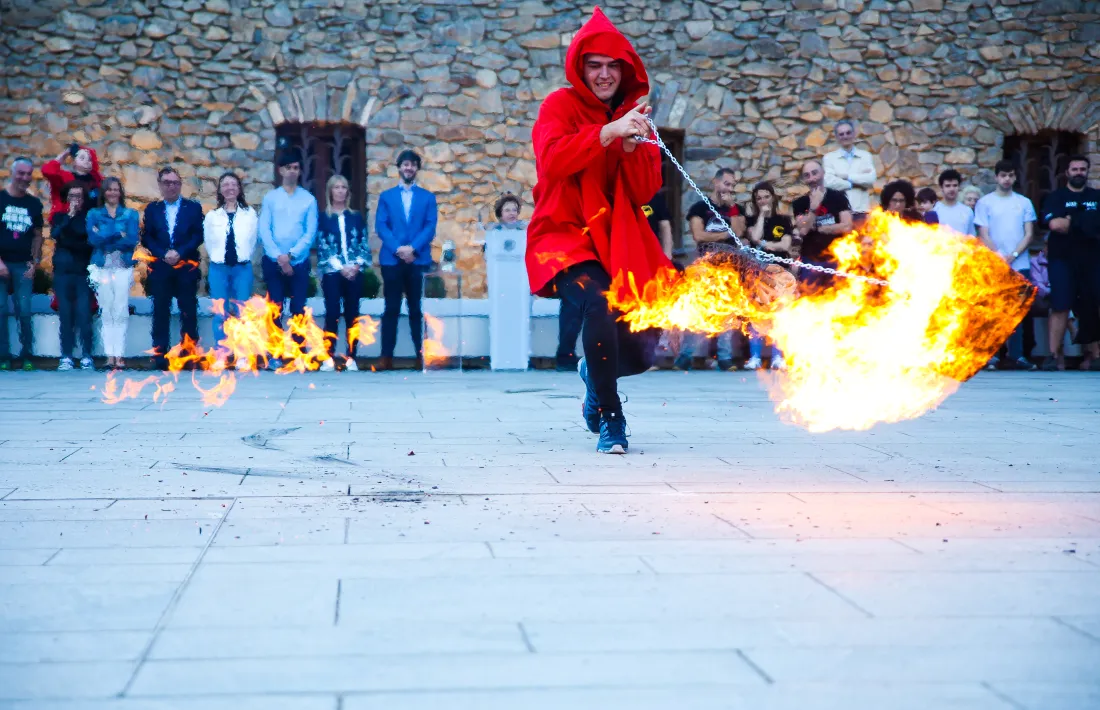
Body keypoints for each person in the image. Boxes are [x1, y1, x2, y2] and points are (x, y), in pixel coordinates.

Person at [526, 7, 669, 453]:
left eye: (612, 66)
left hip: (618, 241)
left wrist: (631, 147)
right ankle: (611, 416)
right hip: (564, 235)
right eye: (595, 65)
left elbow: (646, 189)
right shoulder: (559, 105)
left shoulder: (635, 114)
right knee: (599, 300)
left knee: (647, 341)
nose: (604, 74)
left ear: (624, 70)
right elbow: (551, 161)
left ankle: (594, 375)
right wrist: (607, 133)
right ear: (580, 67)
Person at [674, 167, 744, 372]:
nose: (728, 188)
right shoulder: (699, 208)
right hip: (705, 267)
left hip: (729, 267)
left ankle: (725, 358)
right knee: (696, 310)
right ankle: (684, 357)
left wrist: (732, 208)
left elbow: (738, 233)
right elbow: (699, 235)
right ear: (716, 182)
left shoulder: (735, 210)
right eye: (726, 183)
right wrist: (725, 235)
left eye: (732, 185)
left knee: (727, 314)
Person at [375, 149, 437, 370]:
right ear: (399, 168)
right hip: (392, 260)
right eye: (405, 164)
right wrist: (399, 249)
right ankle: (386, 357)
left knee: (416, 309)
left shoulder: (428, 198)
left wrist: (413, 249)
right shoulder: (386, 197)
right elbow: (381, 226)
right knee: (390, 308)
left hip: (418, 260)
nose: (408, 168)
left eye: (412, 164)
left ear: (417, 169)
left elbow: (430, 227)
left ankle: (421, 356)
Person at [974, 159, 1038, 371]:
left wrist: (1014, 254)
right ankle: (991, 356)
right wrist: (1000, 255)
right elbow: (983, 233)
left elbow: (1029, 233)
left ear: (1015, 177)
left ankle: (1017, 356)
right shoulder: (985, 203)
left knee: (1018, 312)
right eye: (1003, 175)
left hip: (1020, 264)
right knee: (993, 311)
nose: (1007, 179)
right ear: (996, 177)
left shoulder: (1024, 202)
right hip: (994, 264)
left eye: (1010, 175)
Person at [259, 150, 318, 370]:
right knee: (274, 307)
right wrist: (279, 257)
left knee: (298, 308)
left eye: (296, 167)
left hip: (299, 263)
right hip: (273, 261)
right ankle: (274, 354)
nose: (292, 171)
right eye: (289, 167)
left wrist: (291, 256)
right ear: (281, 170)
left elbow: (309, 233)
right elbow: (264, 229)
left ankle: (298, 354)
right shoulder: (270, 198)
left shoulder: (309, 200)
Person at [1040, 155, 1100, 371]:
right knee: (1060, 305)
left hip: (1093, 261)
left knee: (1093, 306)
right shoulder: (1056, 197)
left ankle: (1095, 356)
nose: (1078, 173)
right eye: (1074, 169)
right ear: (1067, 172)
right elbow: (1055, 225)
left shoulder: (1096, 196)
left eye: (1082, 169)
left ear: (1087, 171)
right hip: (1062, 260)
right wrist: (1085, 222)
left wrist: (1071, 220)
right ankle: (1053, 355)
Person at [141, 167, 204, 370]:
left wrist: (180, 252)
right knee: (160, 311)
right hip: (160, 268)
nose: (172, 186)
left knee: (188, 311)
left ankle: (189, 355)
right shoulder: (152, 209)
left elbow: (197, 235)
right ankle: (160, 356)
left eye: (175, 182)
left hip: (186, 267)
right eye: (167, 182)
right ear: (160, 185)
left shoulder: (193, 208)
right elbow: (147, 237)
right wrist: (162, 253)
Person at [203, 172, 258, 369]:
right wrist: (219, 259)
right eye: (225, 185)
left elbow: (252, 240)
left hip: (242, 268)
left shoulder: (249, 214)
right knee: (220, 312)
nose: (229, 188)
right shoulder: (212, 216)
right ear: (220, 190)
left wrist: (242, 257)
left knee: (242, 311)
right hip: (219, 268)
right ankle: (221, 354)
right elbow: (209, 242)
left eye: (233, 184)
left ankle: (242, 355)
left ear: (239, 189)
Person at [317, 175, 371, 372]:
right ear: (330, 191)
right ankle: (328, 357)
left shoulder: (355, 216)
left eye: (343, 187)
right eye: (336, 187)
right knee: (332, 313)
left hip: (354, 273)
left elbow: (363, 244)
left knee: (352, 314)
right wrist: (341, 267)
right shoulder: (324, 217)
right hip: (333, 272)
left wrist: (355, 266)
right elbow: (323, 245)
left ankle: (351, 357)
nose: (340, 191)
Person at [87, 176, 139, 370]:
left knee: (121, 310)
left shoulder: (130, 214)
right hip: (102, 266)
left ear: (121, 192)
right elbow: (93, 240)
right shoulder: (94, 213)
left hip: (123, 266)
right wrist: (118, 234)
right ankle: (110, 355)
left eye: (116, 189)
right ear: (104, 192)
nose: (113, 193)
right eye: (109, 189)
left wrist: (105, 235)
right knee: (106, 310)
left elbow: (132, 240)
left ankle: (120, 355)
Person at [743, 180, 794, 371]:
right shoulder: (751, 220)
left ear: (773, 198)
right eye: (759, 199)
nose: (763, 201)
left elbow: (785, 246)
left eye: (766, 197)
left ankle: (777, 356)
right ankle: (755, 356)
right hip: (759, 274)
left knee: (778, 316)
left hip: (780, 274)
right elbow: (754, 237)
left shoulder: (784, 220)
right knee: (756, 316)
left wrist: (764, 245)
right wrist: (762, 217)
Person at [0, 157, 44, 371]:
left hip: (23, 265)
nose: (25, 178)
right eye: (21, 173)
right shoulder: (0, 199)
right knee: (0, 310)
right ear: (13, 173)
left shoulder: (34, 204)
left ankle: (27, 355)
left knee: (24, 310)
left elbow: (37, 235)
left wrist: (34, 262)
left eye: (29, 174)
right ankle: (3, 357)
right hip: (1, 263)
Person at [50, 182, 94, 370]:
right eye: (72, 196)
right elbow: (55, 234)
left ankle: (86, 355)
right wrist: (69, 218)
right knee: (65, 315)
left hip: (82, 272)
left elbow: (87, 242)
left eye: (78, 196)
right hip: (62, 273)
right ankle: (66, 356)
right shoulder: (60, 217)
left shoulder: (87, 218)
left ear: (83, 200)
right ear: (67, 198)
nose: (75, 200)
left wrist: (68, 241)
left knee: (84, 314)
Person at [793, 159, 853, 291]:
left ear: (823, 173)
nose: (812, 178)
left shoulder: (838, 197)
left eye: (815, 173)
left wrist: (821, 228)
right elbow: (803, 231)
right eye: (807, 175)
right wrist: (814, 208)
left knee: (842, 298)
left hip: (837, 258)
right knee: (810, 300)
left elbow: (847, 227)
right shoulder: (799, 203)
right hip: (811, 260)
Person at [823, 120, 877, 225]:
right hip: (839, 213)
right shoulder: (829, 158)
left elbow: (870, 180)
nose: (845, 136)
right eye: (841, 134)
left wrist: (845, 176)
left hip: (861, 212)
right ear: (837, 137)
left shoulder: (866, 156)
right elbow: (829, 183)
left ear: (853, 134)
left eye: (848, 133)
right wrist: (854, 184)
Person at [42, 145, 102, 221]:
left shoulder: (97, 180)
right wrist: (64, 155)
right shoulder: (65, 177)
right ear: (74, 162)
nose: (87, 161)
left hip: (90, 223)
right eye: (82, 158)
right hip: (67, 221)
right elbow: (47, 170)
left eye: (89, 159)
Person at [933, 169, 976, 237]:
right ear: (941, 188)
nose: (952, 189)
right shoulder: (935, 211)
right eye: (948, 186)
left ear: (959, 187)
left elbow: (972, 237)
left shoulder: (967, 211)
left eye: (955, 185)